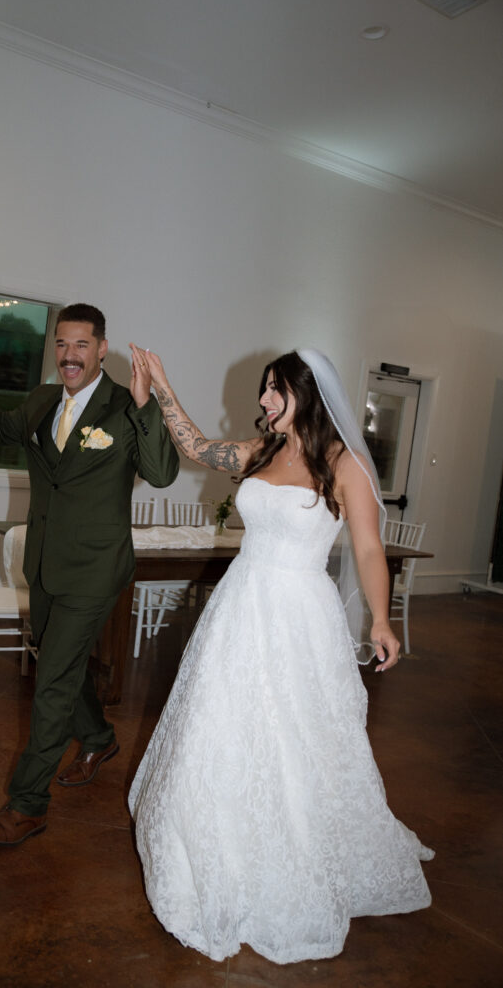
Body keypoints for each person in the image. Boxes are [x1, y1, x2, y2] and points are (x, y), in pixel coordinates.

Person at [127, 345, 433, 964]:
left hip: (299, 616)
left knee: (297, 736)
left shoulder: (344, 464)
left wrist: (380, 619)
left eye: (276, 388)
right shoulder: (261, 450)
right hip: (240, 606)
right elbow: (195, 447)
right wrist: (160, 385)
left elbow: (369, 550)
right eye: (265, 388)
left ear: (307, 393)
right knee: (220, 723)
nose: (264, 398)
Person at [0, 304, 179, 845]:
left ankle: (27, 804)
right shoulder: (42, 400)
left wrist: (147, 404)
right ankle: (98, 737)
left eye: (81, 345)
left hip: (95, 568)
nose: (69, 355)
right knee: (62, 665)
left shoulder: (125, 405)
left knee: (51, 680)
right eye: (62, 344)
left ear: (102, 349)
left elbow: (162, 473)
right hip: (44, 563)